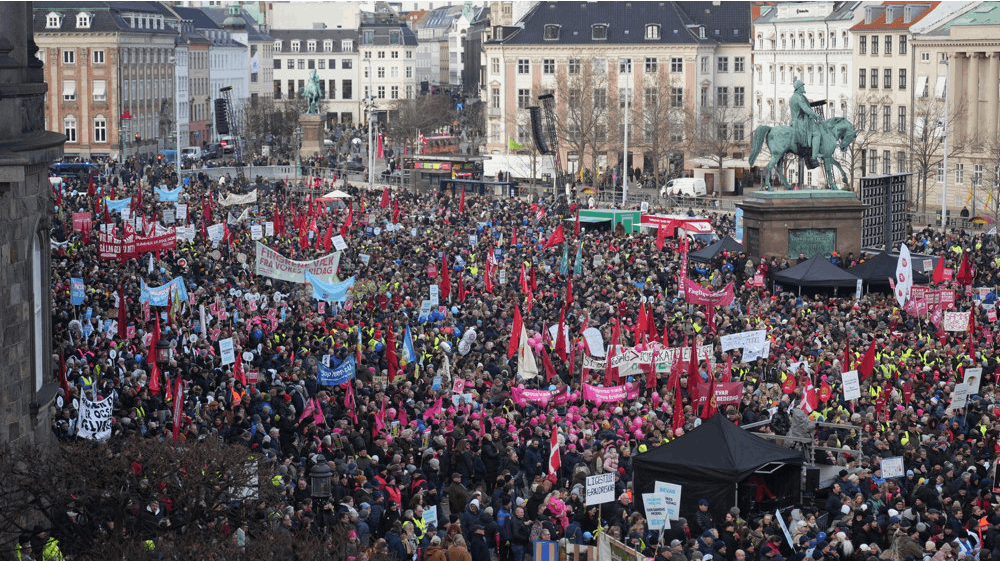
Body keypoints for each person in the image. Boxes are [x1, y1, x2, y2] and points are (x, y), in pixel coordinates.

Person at [788, 79, 823, 164]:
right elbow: (805, 109)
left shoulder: (793, 97)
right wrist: (816, 115)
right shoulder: (799, 97)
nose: (804, 87)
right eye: (802, 86)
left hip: (794, 120)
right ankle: (814, 156)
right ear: (799, 88)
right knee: (816, 133)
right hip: (801, 121)